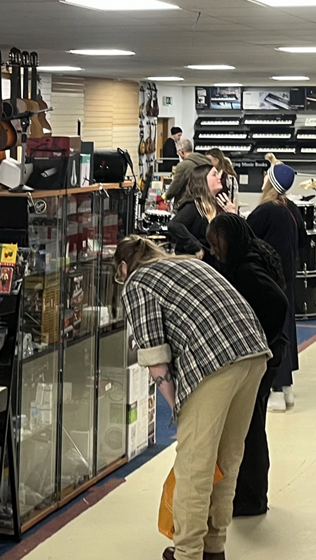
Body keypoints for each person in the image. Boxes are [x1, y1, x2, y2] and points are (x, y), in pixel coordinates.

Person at [114, 236, 271, 560]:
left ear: (123, 267)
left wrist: (176, 407)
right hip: (254, 351)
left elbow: (156, 358)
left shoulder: (137, 282)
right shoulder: (188, 262)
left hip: (214, 363)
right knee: (226, 461)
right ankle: (215, 548)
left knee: (195, 467)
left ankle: (187, 553)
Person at [207, 213, 289, 517]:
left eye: (217, 245)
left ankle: (251, 498)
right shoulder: (254, 254)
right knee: (252, 426)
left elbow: (277, 303)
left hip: (264, 356)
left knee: (250, 429)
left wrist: (261, 343)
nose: (215, 252)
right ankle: (249, 495)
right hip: (270, 351)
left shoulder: (247, 269)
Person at [247, 162, 306, 412]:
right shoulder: (292, 209)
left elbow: (246, 236)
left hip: (268, 280)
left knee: (271, 332)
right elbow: (303, 241)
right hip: (287, 278)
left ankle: (277, 391)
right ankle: (287, 387)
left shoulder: (266, 211)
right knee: (286, 329)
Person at [168, 164, 235, 263]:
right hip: (193, 265)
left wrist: (233, 216)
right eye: (214, 174)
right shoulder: (193, 206)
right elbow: (175, 225)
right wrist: (195, 246)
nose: (219, 177)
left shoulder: (215, 206)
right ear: (203, 180)